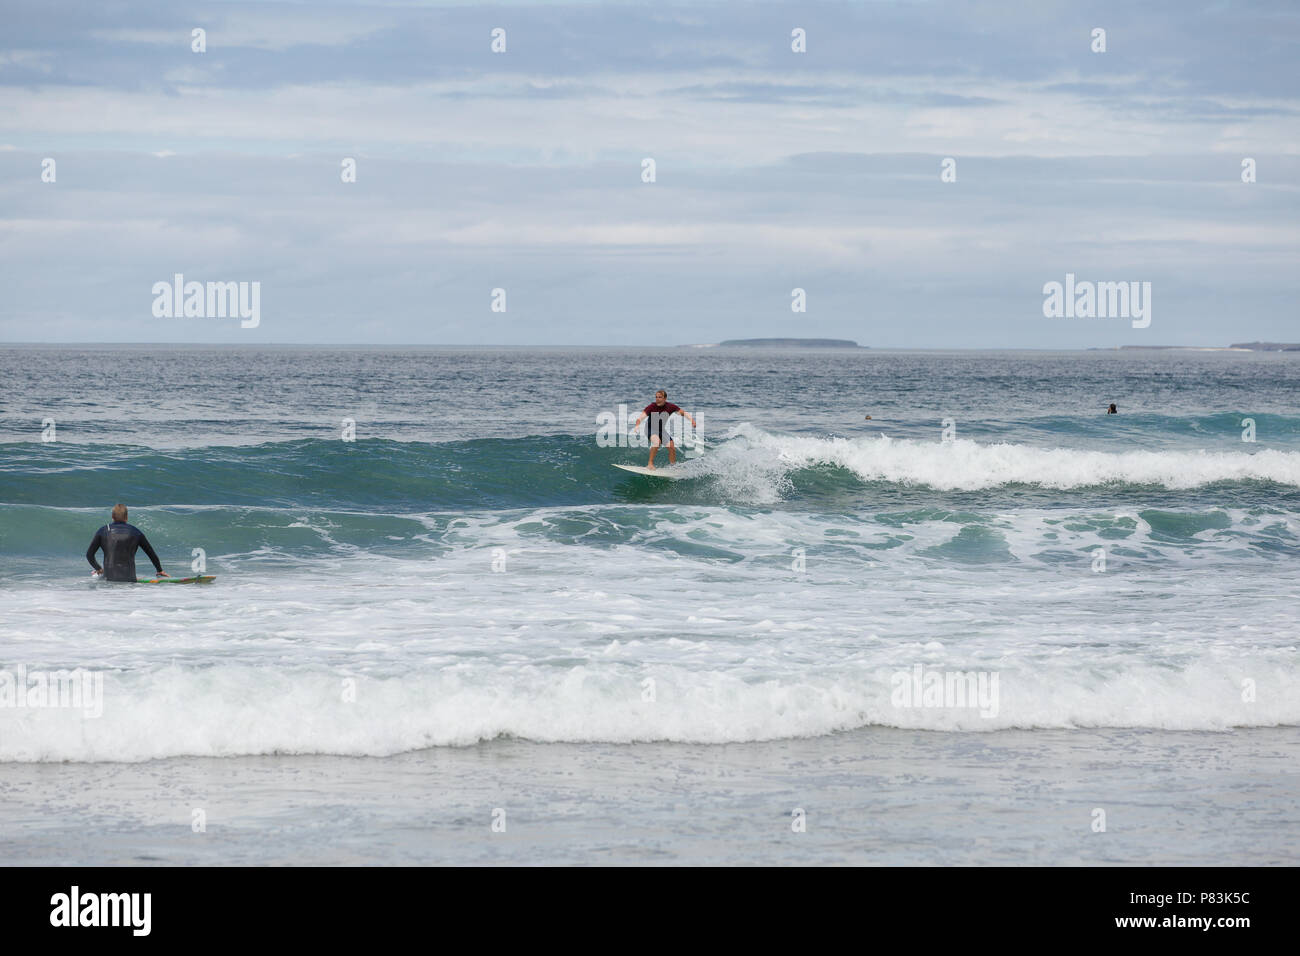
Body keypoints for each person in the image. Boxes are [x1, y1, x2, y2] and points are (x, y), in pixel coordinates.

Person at [87, 504, 167, 582]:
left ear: (112, 517)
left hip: (109, 580)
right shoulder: (136, 532)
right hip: (129, 580)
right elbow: (151, 554)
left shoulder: (103, 531)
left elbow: (89, 555)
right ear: (126, 517)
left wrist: (98, 569)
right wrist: (159, 570)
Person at [629, 389, 697, 469]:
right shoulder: (651, 407)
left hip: (661, 430)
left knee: (671, 447)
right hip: (650, 429)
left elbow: (683, 413)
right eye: (656, 397)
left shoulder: (670, 407)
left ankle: (673, 467)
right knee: (657, 442)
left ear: (665, 398)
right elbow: (640, 418)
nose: (657, 399)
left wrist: (692, 420)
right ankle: (650, 463)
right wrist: (637, 425)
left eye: (660, 397)